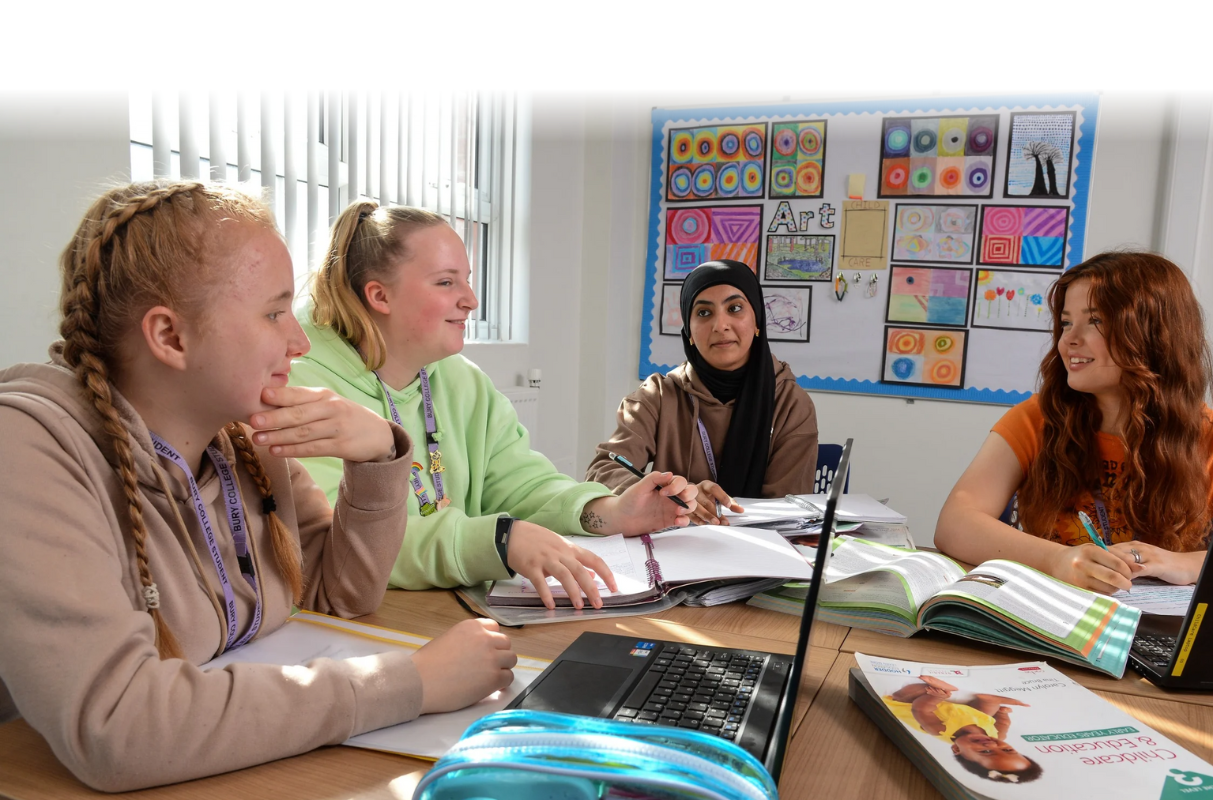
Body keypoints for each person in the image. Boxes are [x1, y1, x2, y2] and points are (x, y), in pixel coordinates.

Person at [0, 182, 518, 791]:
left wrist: (379, 453)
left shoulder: (239, 437)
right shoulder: (27, 447)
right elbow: (116, 724)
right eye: (274, 313)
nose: (298, 343)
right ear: (170, 337)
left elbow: (339, 592)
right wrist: (410, 683)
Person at [290, 200, 696, 608]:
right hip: (353, 623)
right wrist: (498, 541)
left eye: (466, 280)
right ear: (380, 295)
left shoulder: (461, 378)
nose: (470, 299)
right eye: (446, 282)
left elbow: (520, 484)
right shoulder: (301, 386)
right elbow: (337, 544)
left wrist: (609, 512)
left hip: (450, 610)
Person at [935, 251, 1213, 594]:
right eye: (1067, 322)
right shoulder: (1036, 417)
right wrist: (1059, 560)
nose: (1068, 339)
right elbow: (955, 524)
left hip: (1158, 631)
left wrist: (1184, 564)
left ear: (1152, 334)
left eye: (1095, 321)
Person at [586, 260, 818, 524]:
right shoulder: (658, 396)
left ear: (757, 323)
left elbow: (787, 511)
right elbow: (603, 471)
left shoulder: (789, 403)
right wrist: (674, 495)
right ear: (690, 332)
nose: (720, 325)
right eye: (704, 313)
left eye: (735, 308)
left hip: (757, 549)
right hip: (674, 543)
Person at [881, 675, 1042, 784]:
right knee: (987, 712)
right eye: (1007, 750)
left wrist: (937, 697)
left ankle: (941, 689)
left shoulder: (940, 730)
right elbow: (1003, 726)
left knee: (908, 693)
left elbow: (920, 710)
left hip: (920, 704)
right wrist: (1002, 714)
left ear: (957, 748)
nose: (992, 745)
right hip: (969, 713)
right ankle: (990, 700)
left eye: (985, 752)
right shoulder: (996, 736)